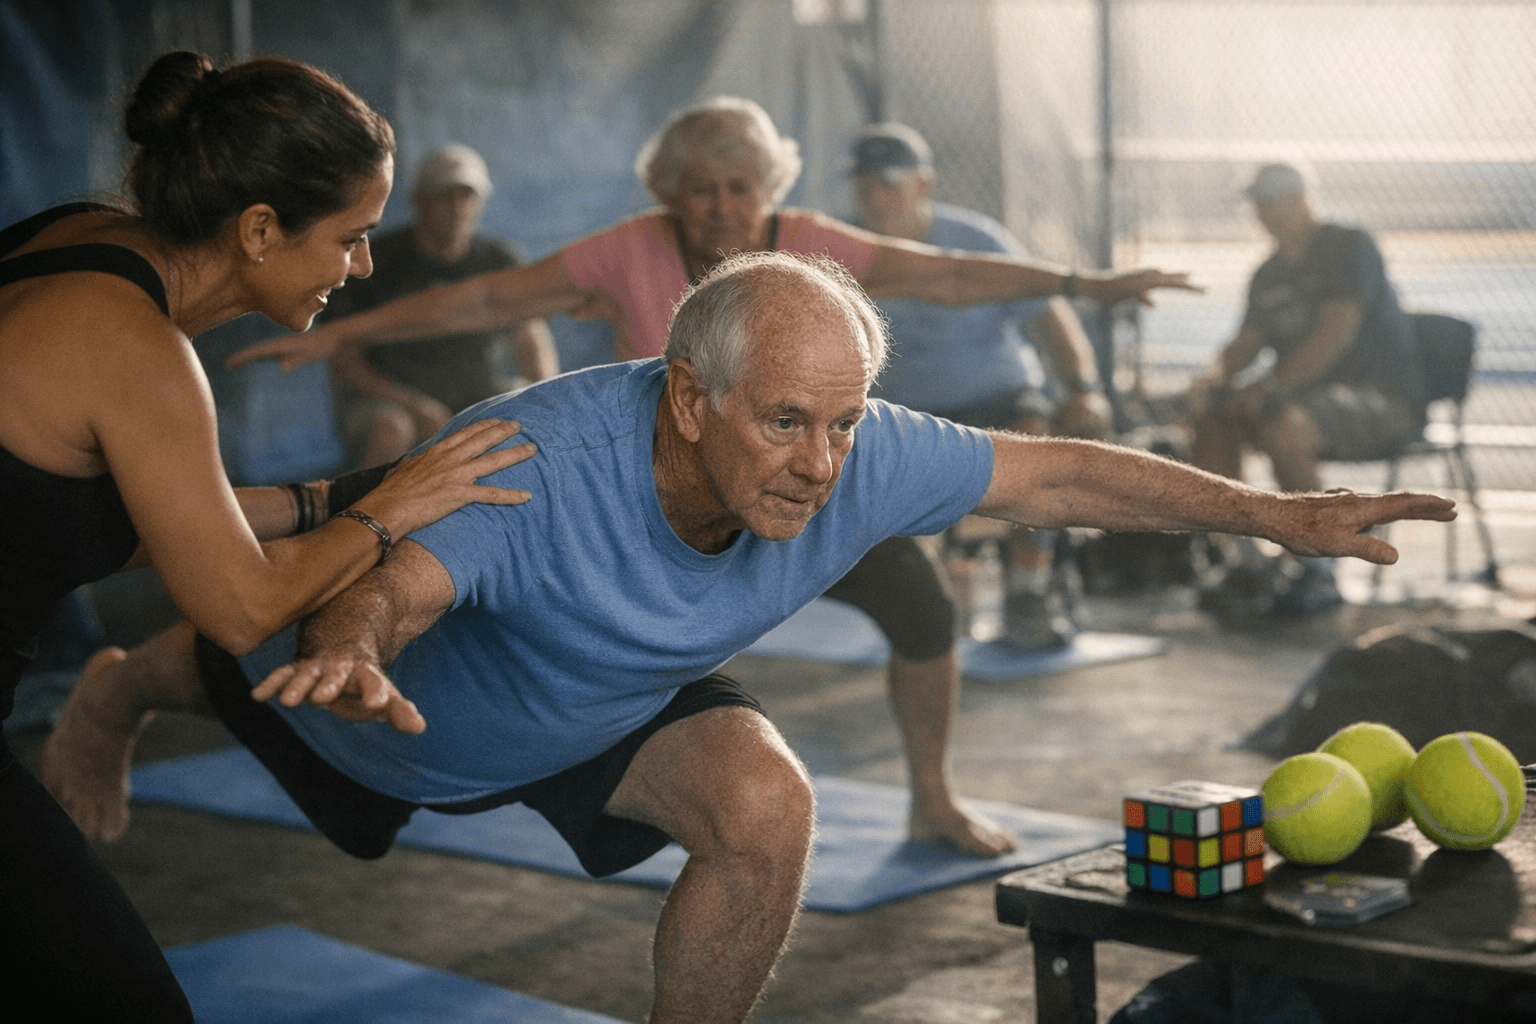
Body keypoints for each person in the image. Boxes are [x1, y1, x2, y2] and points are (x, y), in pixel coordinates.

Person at [66, 251, 1453, 1024]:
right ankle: (114, 695)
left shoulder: (860, 449)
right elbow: (401, 588)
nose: (820, 461)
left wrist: (1277, 512)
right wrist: (354, 639)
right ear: (685, 401)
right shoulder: (540, 458)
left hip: (609, 710)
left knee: (763, 802)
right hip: (389, 706)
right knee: (217, 672)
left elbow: (1060, 474)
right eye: (784, 422)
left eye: (843, 421)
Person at [228, 95, 1199, 858]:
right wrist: (341, 331)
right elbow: (484, 298)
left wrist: (1084, 286)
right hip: (641, 512)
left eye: (741, 188)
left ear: (766, 189)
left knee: (923, 605)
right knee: (462, 647)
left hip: (791, 487)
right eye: (701, 191)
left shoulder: (805, 242)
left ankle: (931, 797)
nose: (724, 209)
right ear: (672, 194)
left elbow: (943, 273)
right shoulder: (625, 251)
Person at [1, 51, 532, 1018]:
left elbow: (61, 526)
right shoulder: (137, 346)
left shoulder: (76, 243)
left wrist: (330, 499)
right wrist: (393, 508)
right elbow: (239, 607)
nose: (363, 265)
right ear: (257, 230)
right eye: (351, 238)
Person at [850, 121, 1112, 649]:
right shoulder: (847, 247)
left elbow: (1051, 315)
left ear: (922, 185)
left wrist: (1083, 387)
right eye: (865, 185)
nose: (877, 198)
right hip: (899, 412)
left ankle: (1029, 591)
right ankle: (910, 597)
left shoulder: (977, 239)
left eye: (890, 184)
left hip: (997, 397)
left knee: (1037, 442)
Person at [1187, 162, 1428, 611]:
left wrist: (1270, 386)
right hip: (1298, 399)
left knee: (1285, 423)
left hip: (1382, 399)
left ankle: (1318, 567)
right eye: (1259, 203)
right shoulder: (1267, 274)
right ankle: (1245, 562)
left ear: (1301, 198)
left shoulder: (1348, 246)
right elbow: (1245, 344)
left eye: (1275, 200)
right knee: (1213, 419)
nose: (1266, 212)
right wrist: (1213, 380)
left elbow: (1335, 332)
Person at [328, 143, 558, 467]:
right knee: (392, 428)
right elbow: (344, 360)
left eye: (467, 196)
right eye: (444, 195)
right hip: (391, 401)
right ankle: (371, 515)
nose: (457, 207)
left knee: (523, 410)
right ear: (420, 200)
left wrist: (549, 401)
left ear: (481, 202)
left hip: (477, 395)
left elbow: (530, 338)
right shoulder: (375, 264)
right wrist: (414, 404)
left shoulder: (499, 260)